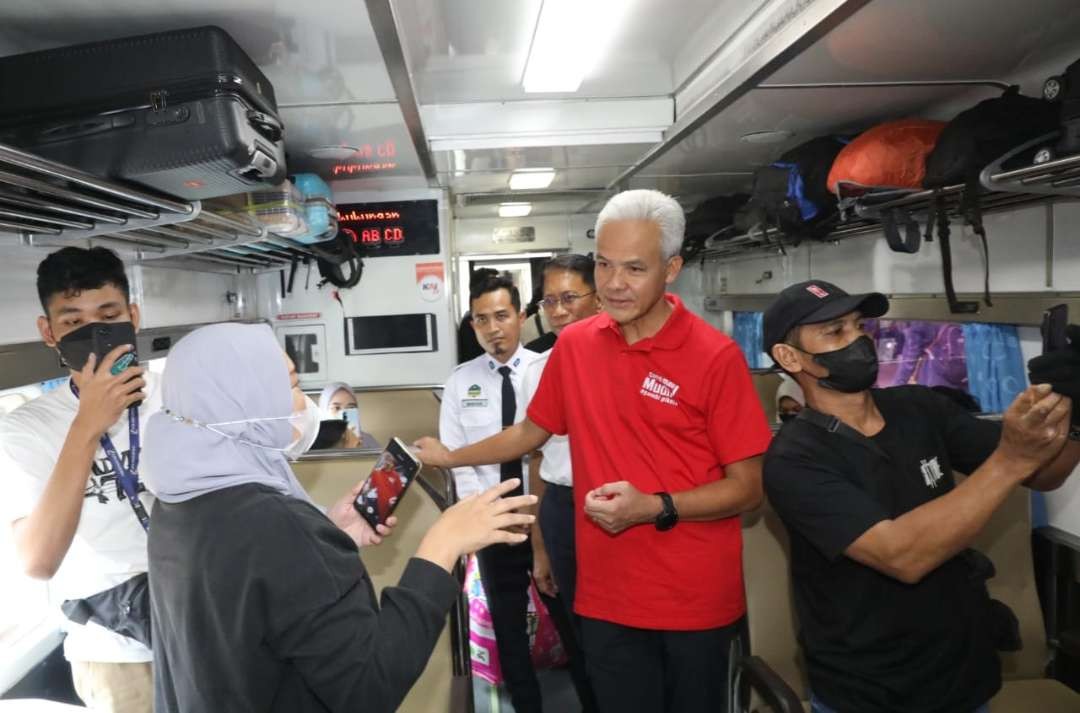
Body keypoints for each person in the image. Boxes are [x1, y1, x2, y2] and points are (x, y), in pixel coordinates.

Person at [416, 189, 772, 713]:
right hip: (607, 594)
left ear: (671, 268)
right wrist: (450, 457)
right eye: (604, 264)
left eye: (634, 268)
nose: (614, 283)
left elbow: (748, 489)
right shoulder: (577, 347)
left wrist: (655, 506)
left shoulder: (714, 356)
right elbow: (529, 434)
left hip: (693, 599)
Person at [144, 322, 537, 713]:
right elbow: (370, 687)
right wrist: (441, 548)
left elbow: (251, 609)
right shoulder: (280, 527)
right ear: (246, 402)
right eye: (294, 386)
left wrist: (330, 536)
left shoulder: (174, 504)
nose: (303, 404)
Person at [760, 279, 1080, 713]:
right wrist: (1010, 458)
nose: (857, 339)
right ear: (789, 356)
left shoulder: (919, 407)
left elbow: (1046, 474)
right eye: (835, 331)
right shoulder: (793, 461)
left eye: (858, 325)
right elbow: (901, 556)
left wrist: (1074, 413)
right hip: (871, 692)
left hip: (962, 675)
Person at [0, 247, 155, 712]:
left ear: (133, 316)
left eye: (108, 315)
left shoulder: (177, 396)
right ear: (49, 333)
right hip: (115, 656)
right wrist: (87, 424)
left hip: (209, 621)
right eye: (72, 323)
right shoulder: (22, 429)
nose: (93, 333)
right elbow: (38, 561)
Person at [439, 272, 548, 713]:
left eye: (502, 316)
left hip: (547, 519)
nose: (493, 328)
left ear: (521, 316)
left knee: (569, 621)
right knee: (508, 631)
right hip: (494, 524)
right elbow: (455, 455)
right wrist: (482, 517)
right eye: (481, 320)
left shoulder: (547, 371)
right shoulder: (460, 381)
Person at [522, 254, 601, 712]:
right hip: (562, 509)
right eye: (548, 301)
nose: (557, 310)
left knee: (622, 635)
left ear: (599, 298)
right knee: (579, 634)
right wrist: (540, 547)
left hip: (622, 508)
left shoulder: (623, 361)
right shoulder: (537, 369)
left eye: (569, 298)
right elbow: (537, 462)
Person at [317, 381, 380, 448]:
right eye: (337, 408)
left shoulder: (367, 440)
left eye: (351, 408)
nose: (344, 414)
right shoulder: (314, 443)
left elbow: (381, 458)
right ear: (323, 411)